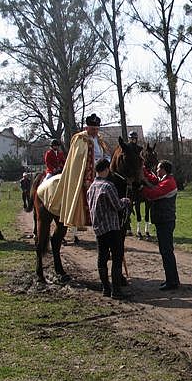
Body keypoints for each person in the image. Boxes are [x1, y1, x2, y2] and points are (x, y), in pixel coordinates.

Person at [49, 113, 111, 228]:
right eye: (93, 129)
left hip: (101, 169)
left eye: (97, 129)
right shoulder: (81, 139)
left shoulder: (99, 140)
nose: (95, 131)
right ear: (87, 128)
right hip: (87, 170)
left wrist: (107, 161)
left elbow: (106, 153)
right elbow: (78, 158)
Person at [86, 158, 130, 298]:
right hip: (111, 227)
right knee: (117, 258)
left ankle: (106, 289)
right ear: (106, 169)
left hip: (99, 229)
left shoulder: (91, 187)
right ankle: (116, 291)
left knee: (102, 259)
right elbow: (117, 206)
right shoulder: (108, 186)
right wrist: (125, 201)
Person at [141, 159, 180, 290]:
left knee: (166, 251)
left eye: (158, 168)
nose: (156, 170)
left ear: (163, 170)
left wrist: (142, 188)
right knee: (165, 251)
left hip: (165, 221)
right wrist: (142, 168)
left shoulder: (168, 183)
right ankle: (172, 279)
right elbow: (153, 179)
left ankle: (172, 282)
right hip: (163, 220)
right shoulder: (165, 180)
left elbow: (153, 194)